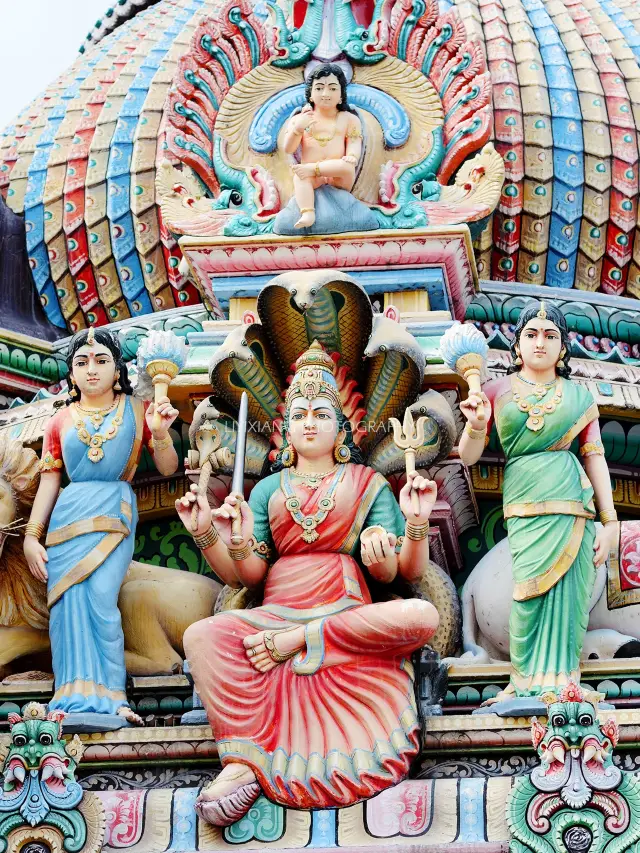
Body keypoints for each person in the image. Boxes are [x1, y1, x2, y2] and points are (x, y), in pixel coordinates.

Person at [176, 341, 439, 825]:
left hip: (344, 611)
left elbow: (402, 573)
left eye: (322, 412)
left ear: (342, 427)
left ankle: (300, 643)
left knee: (420, 615)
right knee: (202, 635)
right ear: (285, 428)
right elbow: (247, 575)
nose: (311, 422)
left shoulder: (365, 482)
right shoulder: (269, 491)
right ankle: (243, 761)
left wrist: (411, 528)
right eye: (300, 414)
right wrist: (209, 532)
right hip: (275, 608)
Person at [458, 302, 618, 701]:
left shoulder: (580, 398)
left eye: (550, 336)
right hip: (526, 504)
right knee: (527, 591)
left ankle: (566, 683)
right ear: (516, 346)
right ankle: (525, 681)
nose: (540, 343)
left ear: (563, 348)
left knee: (570, 596)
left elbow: (594, 455)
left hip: (573, 506)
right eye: (531, 335)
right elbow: (467, 456)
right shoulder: (495, 391)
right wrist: (476, 425)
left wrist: (611, 520)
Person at [23, 328, 179, 722]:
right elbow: (49, 481)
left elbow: (168, 468)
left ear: (117, 370)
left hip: (114, 509)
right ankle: (70, 693)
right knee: (65, 608)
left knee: (100, 601)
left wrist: (161, 435)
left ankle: (111, 694)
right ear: (71, 375)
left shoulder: (139, 410)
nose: (91, 369)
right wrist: (30, 536)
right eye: (81, 363)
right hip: (67, 520)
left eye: (101, 360)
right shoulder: (60, 420)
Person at [283, 63, 362, 229]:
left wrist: (352, 156)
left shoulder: (349, 119)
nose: (325, 94)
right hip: (313, 179)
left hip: (338, 176)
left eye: (332, 89)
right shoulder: (301, 119)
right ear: (310, 94)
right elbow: (288, 149)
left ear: (341, 96)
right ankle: (308, 213)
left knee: (346, 166)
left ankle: (311, 169)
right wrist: (298, 129)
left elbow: (355, 143)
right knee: (300, 177)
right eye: (319, 88)